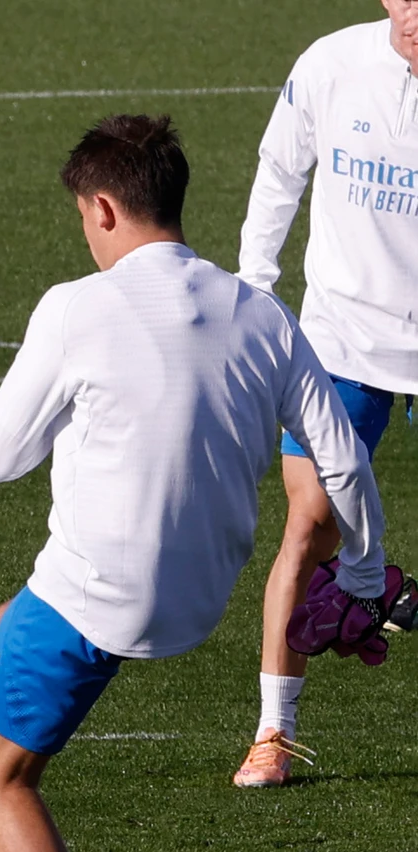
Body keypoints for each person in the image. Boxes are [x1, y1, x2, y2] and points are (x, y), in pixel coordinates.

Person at [0, 115, 387, 852]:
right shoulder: (263, 313)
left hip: (104, 596)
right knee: (46, 602)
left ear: (106, 207)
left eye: (85, 215)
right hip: (206, 597)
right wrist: (359, 574)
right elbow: (345, 463)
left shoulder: (75, 308)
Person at [232, 0, 418, 787]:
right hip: (342, 339)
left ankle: (383, 585)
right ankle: (273, 733)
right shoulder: (331, 64)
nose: (415, 12)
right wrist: (254, 288)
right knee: (308, 523)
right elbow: (280, 171)